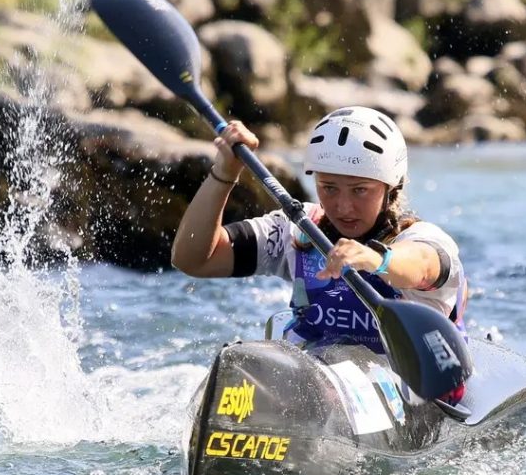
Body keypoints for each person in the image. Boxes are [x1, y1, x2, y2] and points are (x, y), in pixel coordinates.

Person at [171, 106, 468, 403]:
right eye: (329, 188)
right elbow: (193, 259)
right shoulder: (297, 231)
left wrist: (377, 259)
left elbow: (422, 265)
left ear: (392, 186)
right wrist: (224, 173)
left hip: (392, 390)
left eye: (360, 190)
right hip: (311, 384)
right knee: (238, 364)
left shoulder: (420, 239)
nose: (343, 206)